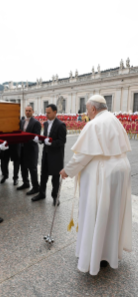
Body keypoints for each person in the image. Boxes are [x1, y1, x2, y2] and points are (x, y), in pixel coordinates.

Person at [60, 94, 132, 275]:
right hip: (120, 170)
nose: (87, 113)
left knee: (97, 211)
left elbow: (82, 155)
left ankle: (96, 255)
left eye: (87, 109)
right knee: (111, 213)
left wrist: (68, 170)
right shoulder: (115, 120)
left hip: (104, 174)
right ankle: (108, 252)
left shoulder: (94, 124)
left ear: (92, 108)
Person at [32, 104, 66, 205]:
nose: (46, 114)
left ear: (55, 112)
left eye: (48, 113)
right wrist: (40, 140)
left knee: (55, 178)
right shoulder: (46, 124)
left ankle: (55, 197)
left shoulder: (61, 125)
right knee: (43, 175)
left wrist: (51, 143)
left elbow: (62, 141)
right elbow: (46, 137)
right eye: (46, 112)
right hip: (46, 154)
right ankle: (42, 193)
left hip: (56, 155)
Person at [17, 105, 41, 195]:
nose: (27, 112)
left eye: (29, 111)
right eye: (26, 110)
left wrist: (25, 139)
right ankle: (26, 183)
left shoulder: (36, 123)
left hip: (31, 149)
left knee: (32, 169)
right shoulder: (22, 122)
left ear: (33, 111)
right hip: (22, 148)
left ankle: (35, 187)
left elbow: (36, 136)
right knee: (23, 167)